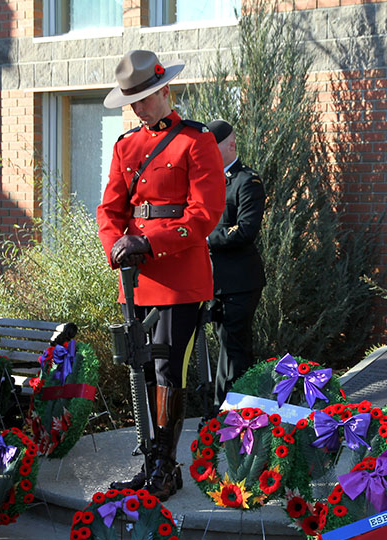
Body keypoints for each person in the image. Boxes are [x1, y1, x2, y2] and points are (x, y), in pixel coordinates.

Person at [97, 50, 225, 500]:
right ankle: (149, 459)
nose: (137, 108)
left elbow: (205, 213)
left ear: (165, 90)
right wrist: (115, 245)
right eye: (132, 101)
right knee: (142, 370)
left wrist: (151, 242)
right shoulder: (125, 146)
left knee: (170, 369)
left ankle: (167, 468)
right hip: (135, 277)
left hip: (180, 277)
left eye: (145, 98)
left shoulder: (196, 140)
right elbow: (110, 209)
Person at [205, 119, 266, 414]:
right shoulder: (208, 180)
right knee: (225, 349)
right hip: (215, 282)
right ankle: (223, 412)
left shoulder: (247, 181)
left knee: (235, 351)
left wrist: (203, 238)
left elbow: (245, 230)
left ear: (230, 145)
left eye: (212, 148)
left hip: (240, 282)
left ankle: (240, 417)